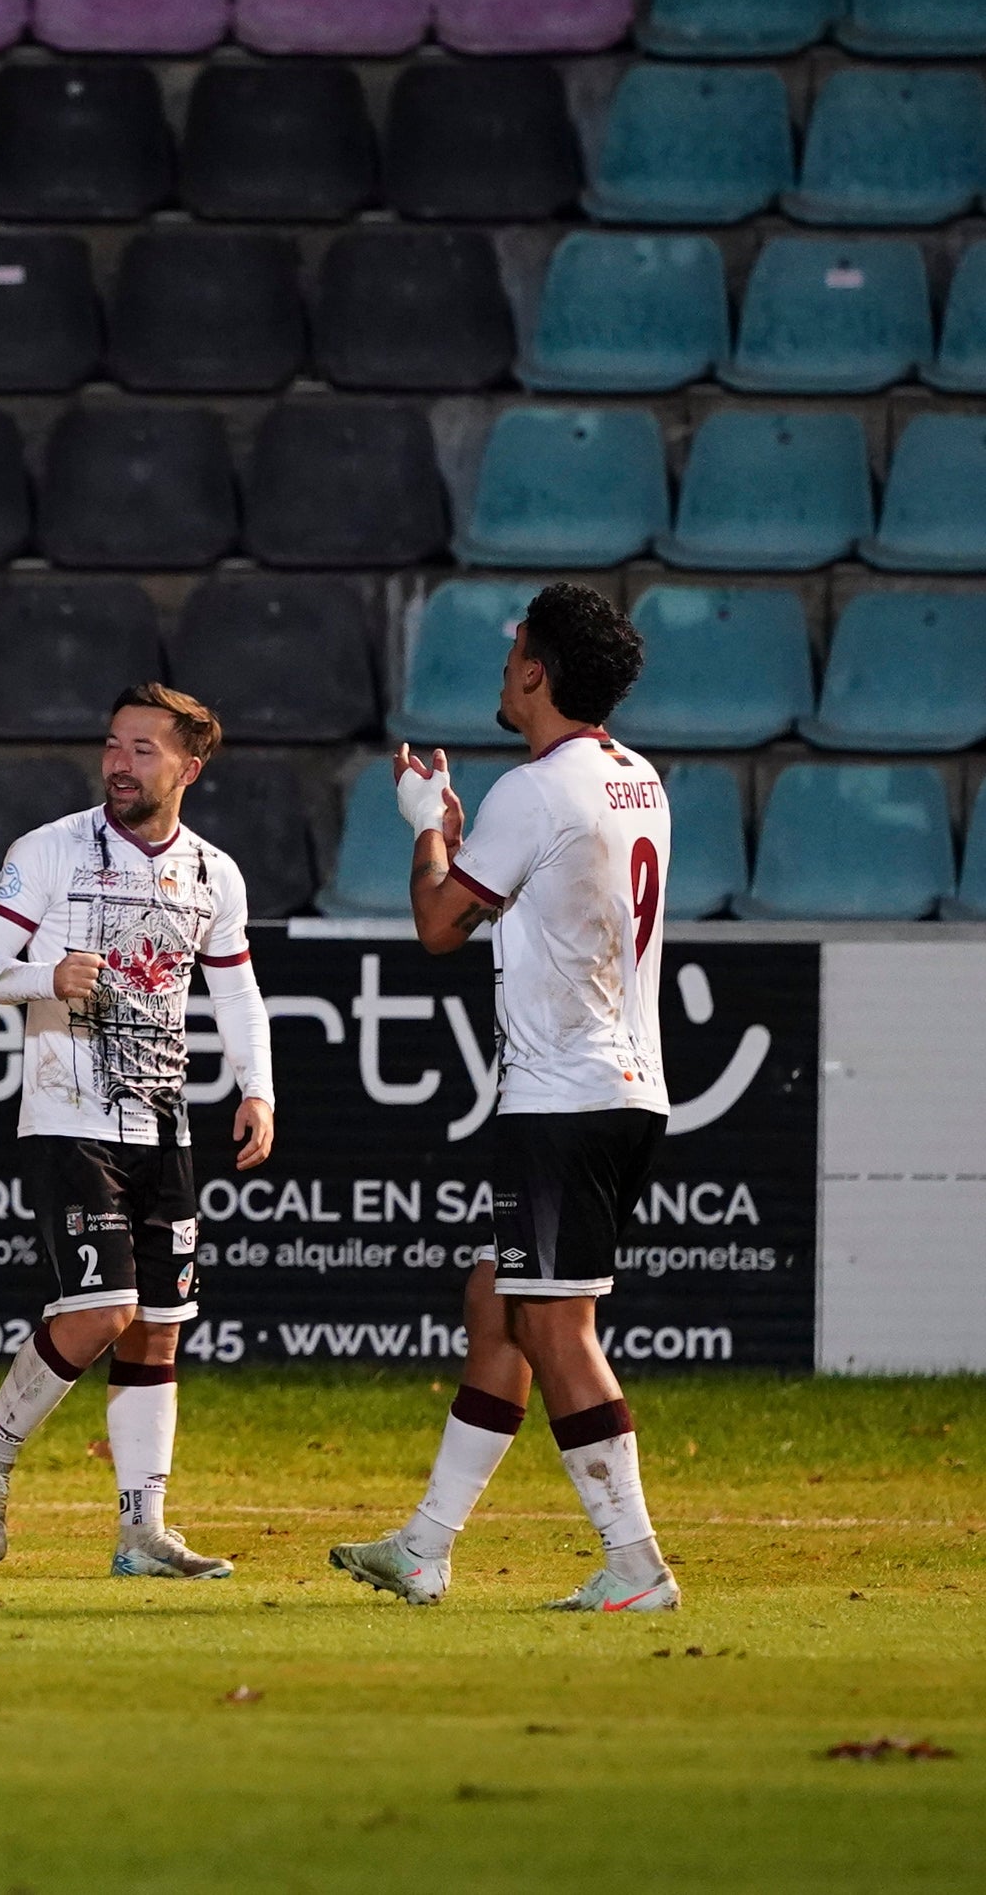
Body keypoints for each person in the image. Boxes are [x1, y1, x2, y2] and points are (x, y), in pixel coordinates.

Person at [333, 584, 681, 1614]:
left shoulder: (536, 790)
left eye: (512, 651)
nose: (501, 666)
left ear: (537, 672)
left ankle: (636, 1564)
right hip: (625, 1084)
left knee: (553, 1322)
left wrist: (424, 828)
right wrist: (461, 829)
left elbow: (442, 926)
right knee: (499, 1303)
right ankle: (426, 1546)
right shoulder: (637, 777)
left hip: (562, 1094)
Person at [0, 685, 276, 1579]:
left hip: (164, 1120)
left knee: (158, 1328)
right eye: (113, 745)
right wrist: (47, 974)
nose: (119, 764)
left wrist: (258, 1088)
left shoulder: (215, 872)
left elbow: (235, 990)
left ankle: (142, 1532)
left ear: (188, 768)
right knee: (103, 1311)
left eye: (142, 750)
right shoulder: (49, 850)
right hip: (67, 1111)